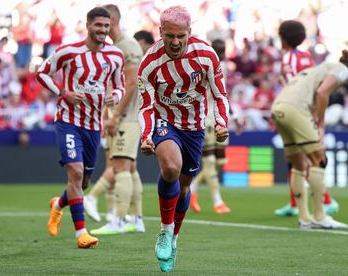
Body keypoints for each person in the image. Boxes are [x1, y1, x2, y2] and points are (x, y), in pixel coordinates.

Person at [138, 6, 229, 272]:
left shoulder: (206, 56)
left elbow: (219, 94)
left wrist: (222, 124)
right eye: (170, 36)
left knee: (185, 187)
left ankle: (174, 238)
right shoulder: (149, 64)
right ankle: (165, 232)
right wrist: (146, 136)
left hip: (196, 127)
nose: (175, 42)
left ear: (190, 32)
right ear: (161, 33)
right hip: (165, 122)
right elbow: (145, 106)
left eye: (181, 36)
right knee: (170, 168)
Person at [36, 7, 125, 248]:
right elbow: (42, 73)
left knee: (83, 182)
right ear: (88, 25)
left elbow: (120, 85)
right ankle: (81, 235)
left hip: (94, 126)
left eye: (106, 26)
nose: (103, 30)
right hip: (68, 122)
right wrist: (63, 92)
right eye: (98, 25)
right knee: (74, 172)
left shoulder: (115, 55)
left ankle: (58, 205)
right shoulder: (68, 52)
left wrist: (115, 96)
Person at [271, 49, 348, 229]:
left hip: (278, 108)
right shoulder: (341, 69)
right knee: (319, 160)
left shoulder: (316, 69)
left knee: (298, 165)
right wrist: (320, 125)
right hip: (295, 109)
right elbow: (322, 93)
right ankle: (320, 216)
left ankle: (304, 219)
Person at [86, 4, 145, 235]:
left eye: (104, 22)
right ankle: (136, 219)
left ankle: (118, 220)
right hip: (124, 115)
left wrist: (116, 116)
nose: (101, 27)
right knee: (130, 167)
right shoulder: (117, 47)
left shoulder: (127, 46)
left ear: (112, 20)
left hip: (128, 116)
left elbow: (132, 84)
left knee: (119, 165)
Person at [274, 20, 339, 217]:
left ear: (283, 39)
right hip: (305, 109)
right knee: (294, 159)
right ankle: (295, 203)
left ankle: (326, 200)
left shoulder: (288, 59)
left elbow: (296, 85)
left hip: (296, 110)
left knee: (301, 158)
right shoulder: (306, 57)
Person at [189, 38, 241, 214]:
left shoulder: (222, 67)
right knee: (210, 163)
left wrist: (232, 114)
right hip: (206, 119)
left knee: (221, 162)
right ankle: (218, 202)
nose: (220, 54)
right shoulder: (203, 65)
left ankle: (193, 187)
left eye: (222, 50)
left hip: (220, 119)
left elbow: (222, 94)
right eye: (218, 50)